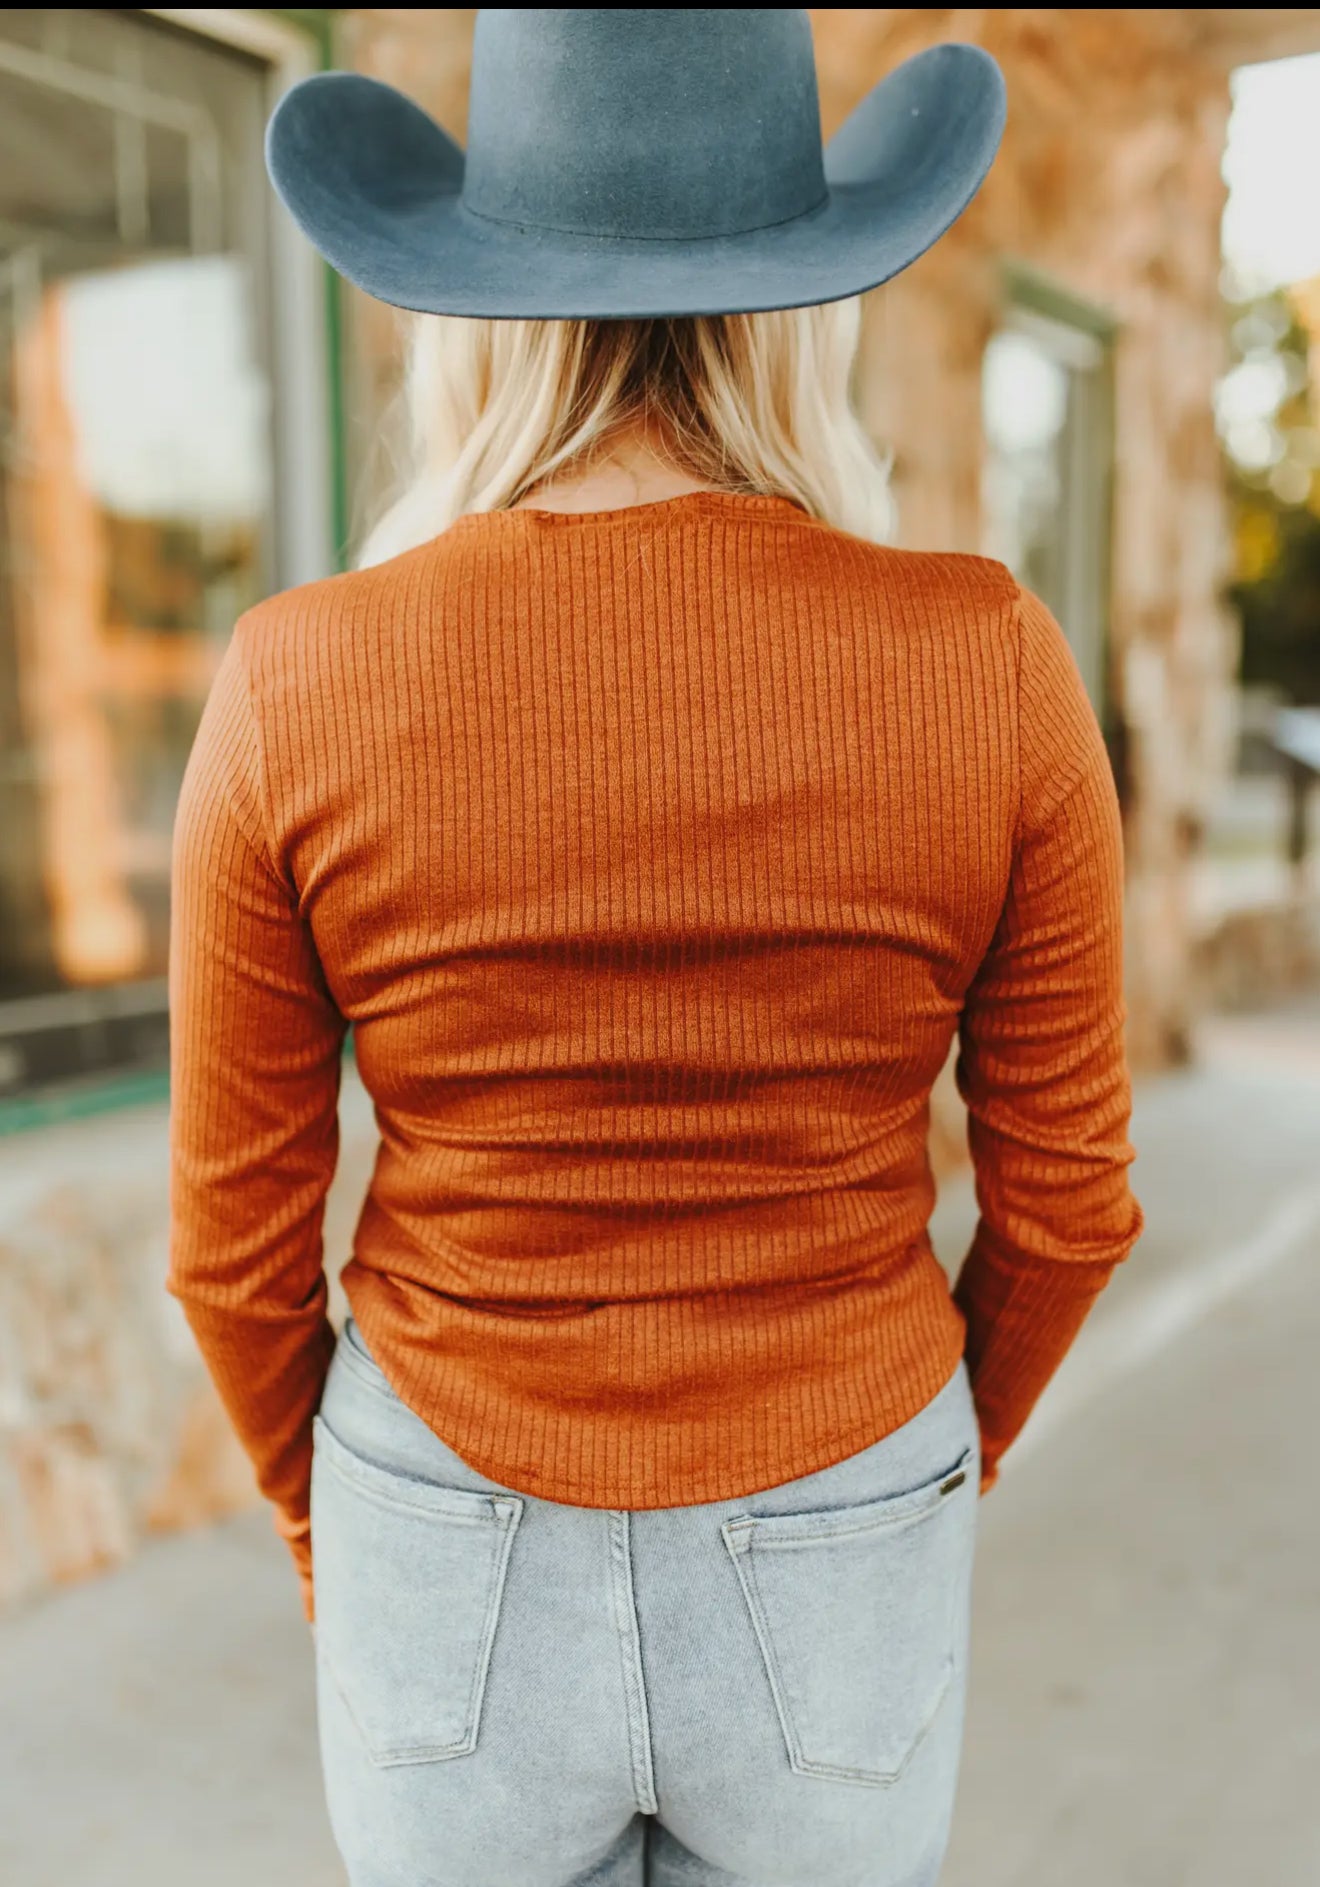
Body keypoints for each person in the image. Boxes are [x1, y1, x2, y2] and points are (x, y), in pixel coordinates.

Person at [167, 13, 1143, 1887]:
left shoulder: (298, 678)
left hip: (439, 1494)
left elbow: (229, 1255)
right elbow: (1072, 1207)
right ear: (802, 306)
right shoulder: (989, 657)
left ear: (478, 314)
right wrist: (923, 1469)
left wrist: (353, 1539)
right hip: (846, 1472)